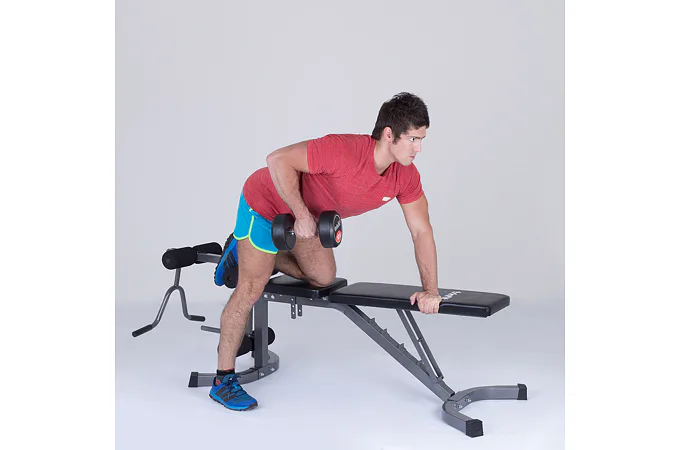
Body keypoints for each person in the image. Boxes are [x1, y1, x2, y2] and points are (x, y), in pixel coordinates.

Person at [208, 92, 443, 411]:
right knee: (251, 286)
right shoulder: (343, 151)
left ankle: (254, 254)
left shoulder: (405, 176)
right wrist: (301, 214)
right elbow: (277, 159)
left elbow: (421, 231)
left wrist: (430, 290)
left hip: (306, 218)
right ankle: (223, 381)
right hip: (265, 204)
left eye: (421, 140)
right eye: (413, 139)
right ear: (389, 134)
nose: (418, 148)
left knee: (323, 278)